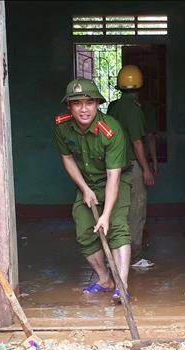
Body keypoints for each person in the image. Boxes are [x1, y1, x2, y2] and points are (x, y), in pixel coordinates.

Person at [53, 78, 133, 303]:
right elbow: (67, 159)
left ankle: (122, 285)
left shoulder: (111, 130)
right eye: (77, 103)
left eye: (89, 102)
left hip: (116, 179)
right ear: (69, 106)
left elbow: (113, 177)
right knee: (85, 232)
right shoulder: (61, 125)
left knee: (117, 228)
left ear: (98, 104)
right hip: (86, 182)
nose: (84, 108)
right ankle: (105, 279)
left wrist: (106, 214)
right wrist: (85, 189)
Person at [108, 65, 155, 269]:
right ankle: (134, 256)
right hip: (132, 165)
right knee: (136, 210)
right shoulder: (134, 110)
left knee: (118, 210)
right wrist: (146, 169)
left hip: (113, 166)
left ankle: (114, 255)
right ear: (140, 86)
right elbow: (137, 142)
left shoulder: (113, 107)